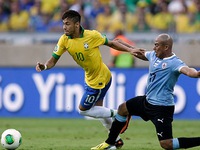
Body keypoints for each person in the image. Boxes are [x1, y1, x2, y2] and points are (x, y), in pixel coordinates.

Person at [35, 10, 134, 149]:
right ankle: (115, 141)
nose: (64, 27)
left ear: (77, 24)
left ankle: (120, 113)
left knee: (83, 110)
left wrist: (130, 50)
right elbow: (53, 60)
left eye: (67, 24)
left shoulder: (92, 35)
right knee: (100, 111)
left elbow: (112, 43)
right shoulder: (64, 39)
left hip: (99, 80)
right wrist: (44, 66)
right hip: (93, 78)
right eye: (63, 24)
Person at [91, 33, 200, 150]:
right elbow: (142, 54)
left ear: (166, 47)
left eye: (157, 45)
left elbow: (189, 71)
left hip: (162, 108)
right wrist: (124, 45)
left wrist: (198, 73)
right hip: (147, 101)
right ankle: (110, 142)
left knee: (167, 144)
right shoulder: (154, 55)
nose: (154, 48)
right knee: (123, 108)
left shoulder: (175, 63)